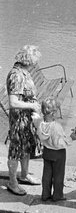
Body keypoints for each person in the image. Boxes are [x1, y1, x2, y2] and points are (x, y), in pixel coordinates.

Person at [6, 44, 42, 195]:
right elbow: (13, 102)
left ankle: (24, 175)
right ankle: (12, 182)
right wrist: (32, 105)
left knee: (26, 147)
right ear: (28, 59)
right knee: (16, 149)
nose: (36, 63)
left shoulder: (24, 72)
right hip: (19, 120)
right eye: (35, 59)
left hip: (27, 118)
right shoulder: (16, 75)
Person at [32, 97, 76, 202]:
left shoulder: (40, 125)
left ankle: (45, 194)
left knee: (47, 175)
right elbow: (60, 143)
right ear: (53, 113)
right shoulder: (56, 127)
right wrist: (71, 138)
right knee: (58, 175)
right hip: (58, 154)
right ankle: (58, 195)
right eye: (57, 111)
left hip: (47, 151)